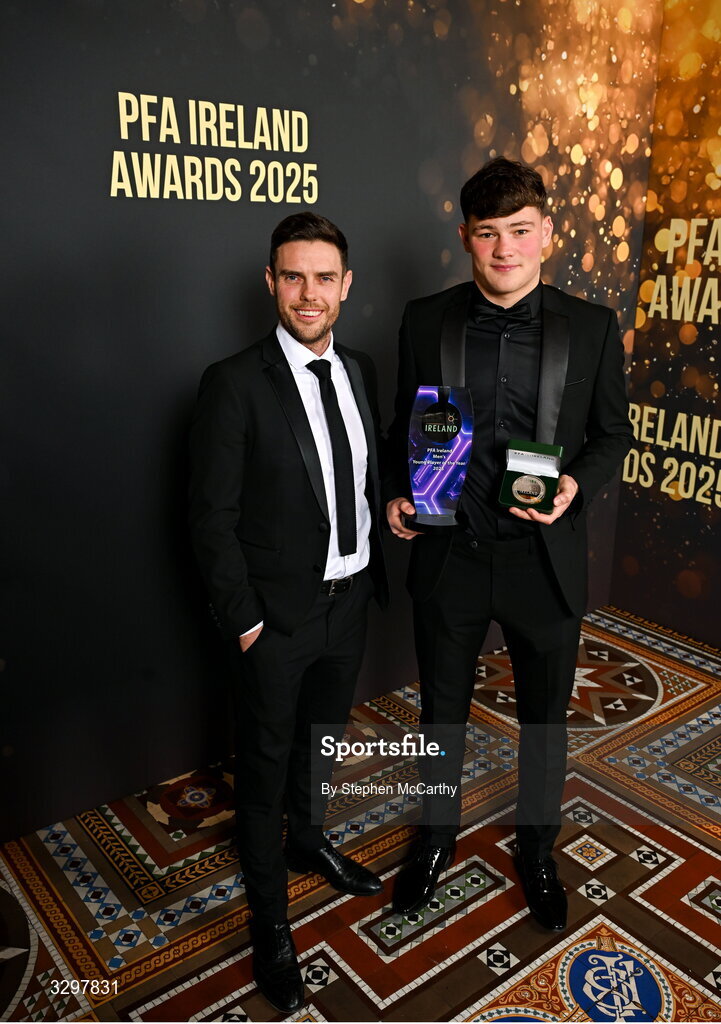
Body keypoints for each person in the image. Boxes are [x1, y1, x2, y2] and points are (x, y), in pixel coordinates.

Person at [385, 157, 631, 931]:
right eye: (487, 234)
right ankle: (435, 835)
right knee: (441, 713)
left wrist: (573, 487)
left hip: (542, 560)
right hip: (451, 553)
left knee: (544, 721)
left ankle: (536, 845)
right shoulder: (424, 319)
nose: (503, 250)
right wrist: (398, 494)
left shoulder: (589, 327)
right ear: (465, 238)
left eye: (519, 232)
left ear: (546, 235)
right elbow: (403, 427)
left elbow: (610, 435)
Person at [188, 212, 388, 1013]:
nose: (310, 294)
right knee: (264, 774)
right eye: (293, 276)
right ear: (270, 283)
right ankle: (271, 921)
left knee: (321, 747)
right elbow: (210, 519)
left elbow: (360, 478)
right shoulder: (232, 382)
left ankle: (310, 843)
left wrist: (391, 521)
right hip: (276, 624)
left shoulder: (362, 369)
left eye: (324, 278)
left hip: (350, 607)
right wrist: (246, 622)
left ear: (347, 286)